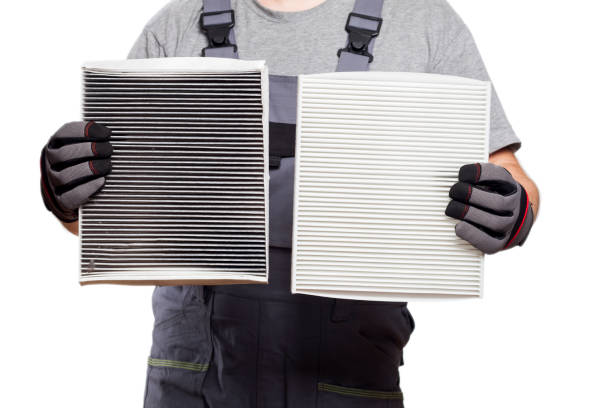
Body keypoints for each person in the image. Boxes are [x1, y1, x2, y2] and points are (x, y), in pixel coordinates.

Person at [39, 0, 540, 406]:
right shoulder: (175, 25)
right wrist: (67, 196)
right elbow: (110, 223)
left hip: (350, 378)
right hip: (193, 379)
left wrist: (514, 210)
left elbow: (507, 173)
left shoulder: (426, 23)